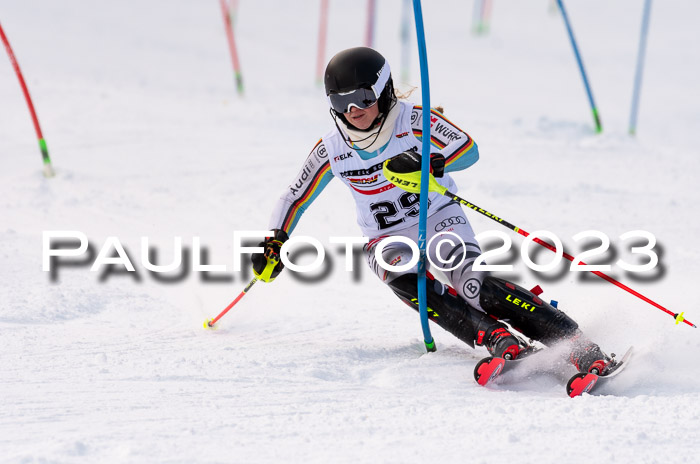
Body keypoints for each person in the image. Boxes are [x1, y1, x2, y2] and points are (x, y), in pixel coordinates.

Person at [251, 47, 617, 375]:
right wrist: (274, 240)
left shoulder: (412, 120)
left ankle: (578, 346)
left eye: (362, 97)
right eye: (340, 102)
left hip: (438, 216)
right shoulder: (332, 148)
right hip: (385, 236)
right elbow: (294, 197)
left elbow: (467, 149)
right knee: (404, 277)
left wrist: (428, 160)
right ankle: (494, 337)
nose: (353, 110)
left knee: (474, 285)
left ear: (382, 90)